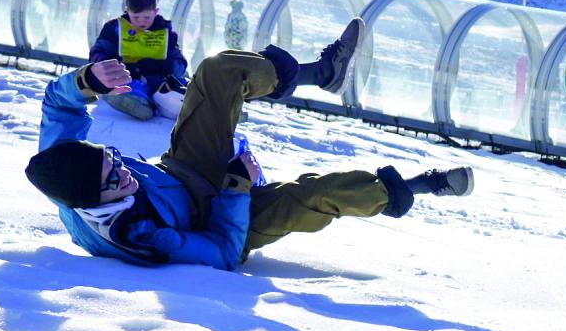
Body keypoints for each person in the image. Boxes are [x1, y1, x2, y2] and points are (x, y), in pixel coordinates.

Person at [24, 22, 472, 271]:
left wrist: (86, 80)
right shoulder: (137, 237)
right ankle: (414, 188)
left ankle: (321, 73)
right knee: (315, 194)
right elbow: (221, 252)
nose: (124, 171)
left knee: (216, 71)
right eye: (113, 181)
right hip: (222, 220)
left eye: (112, 161)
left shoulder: (62, 170)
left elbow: (57, 108)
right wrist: (236, 190)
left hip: (182, 171)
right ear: (96, 202)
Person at [89, 0, 190, 121]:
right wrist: (115, 65)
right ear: (127, 11)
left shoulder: (165, 33)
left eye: (147, 17)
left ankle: (184, 106)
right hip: (127, 77)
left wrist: (164, 66)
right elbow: (98, 52)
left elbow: (180, 63)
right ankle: (122, 97)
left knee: (180, 90)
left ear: (156, 12)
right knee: (136, 96)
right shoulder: (115, 29)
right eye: (136, 17)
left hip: (158, 81)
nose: (141, 21)